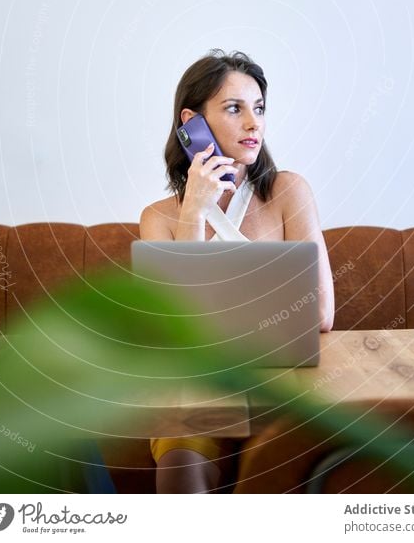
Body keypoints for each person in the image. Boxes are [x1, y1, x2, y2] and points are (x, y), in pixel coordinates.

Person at [139, 49, 335, 493]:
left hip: (282, 381)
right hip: (197, 388)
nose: (254, 124)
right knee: (182, 455)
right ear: (193, 124)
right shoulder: (159, 217)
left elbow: (321, 312)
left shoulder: (288, 192)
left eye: (259, 108)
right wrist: (194, 208)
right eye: (234, 108)